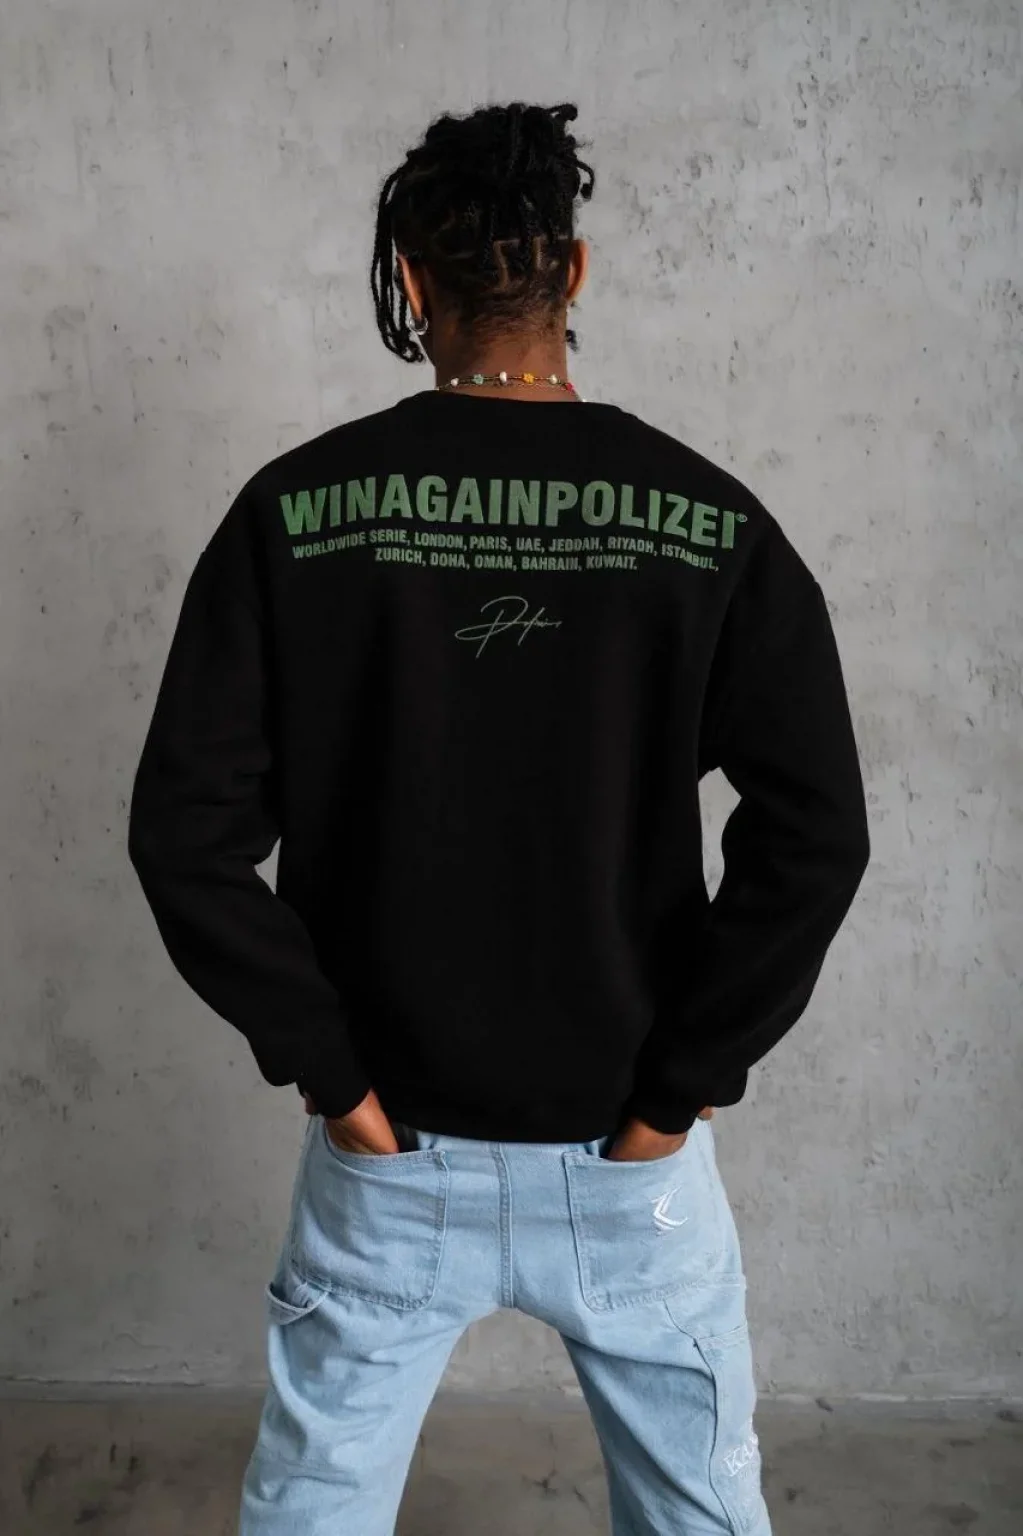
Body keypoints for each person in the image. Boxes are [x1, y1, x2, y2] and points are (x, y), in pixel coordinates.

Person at [128, 101, 870, 1536]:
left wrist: (333, 1079)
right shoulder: (711, 522)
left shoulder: (295, 513)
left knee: (313, 1513)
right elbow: (819, 832)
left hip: (387, 1153)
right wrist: (679, 1087)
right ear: (575, 273)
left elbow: (183, 835)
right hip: (630, 1158)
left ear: (411, 280)